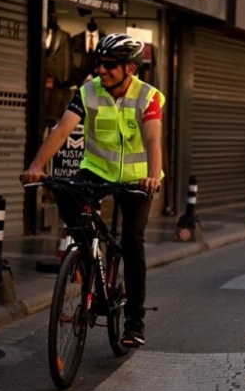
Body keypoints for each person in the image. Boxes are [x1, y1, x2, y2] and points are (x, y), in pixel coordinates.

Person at [20, 33, 164, 348]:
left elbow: (153, 140)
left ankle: (134, 322)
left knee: (131, 242)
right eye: (99, 63)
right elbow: (61, 131)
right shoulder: (88, 92)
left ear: (130, 69)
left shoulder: (148, 97)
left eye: (110, 65)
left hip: (137, 179)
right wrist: (36, 166)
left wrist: (153, 175)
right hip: (97, 171)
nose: (101, 70)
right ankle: (87, 253)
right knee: (65, 190)